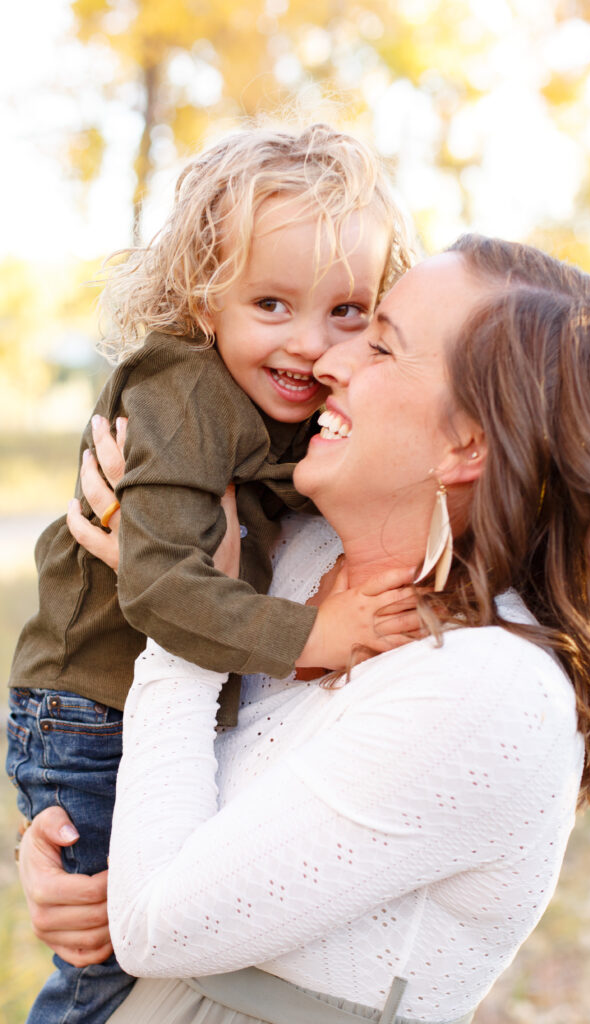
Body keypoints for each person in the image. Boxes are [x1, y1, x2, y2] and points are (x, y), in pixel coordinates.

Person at [17, 235, 590, 1024]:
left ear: (467, 443)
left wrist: (188, 610)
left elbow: (158, 927)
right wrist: (74, 855)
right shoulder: (294, 554)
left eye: (381, 344)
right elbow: (174, 819)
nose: (328, 362)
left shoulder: (488, 687)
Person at [5, 123, 418, 1024]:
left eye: (346, 312)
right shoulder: (185, 392)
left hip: (139, 703)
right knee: (100, 968)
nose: (310, 345)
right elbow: (156, 587)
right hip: (91, 703)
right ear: (203, 301)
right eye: (271, 304)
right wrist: (315, 635)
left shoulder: (288, 401)